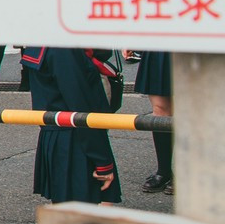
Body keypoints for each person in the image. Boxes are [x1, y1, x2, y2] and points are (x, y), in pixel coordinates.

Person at [24, 46, 123, 209]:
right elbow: (82, 108)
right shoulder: (64, 49)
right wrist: (103, 162)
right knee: (84, 220)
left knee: (70, 215)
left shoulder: (41, 39)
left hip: (57, 134)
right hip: (76, 140)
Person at [134, 50, 174, 196]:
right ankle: (163, 172)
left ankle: (194, 171)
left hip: (194, 39)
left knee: (194, 108)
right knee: (160, 109)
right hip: (160, 42)